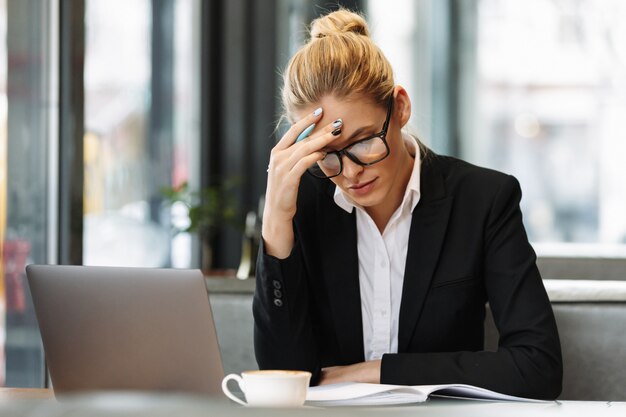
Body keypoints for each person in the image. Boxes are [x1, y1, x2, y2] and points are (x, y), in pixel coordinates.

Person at [253, 9, 562, 400]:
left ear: (399, 108)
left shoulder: (482, 200)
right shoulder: (305, 205)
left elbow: (538, 367)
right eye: (328, 155)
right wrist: (276, 225)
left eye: (364, 141)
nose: (350, 173)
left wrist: (378, 372)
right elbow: (284, 379)